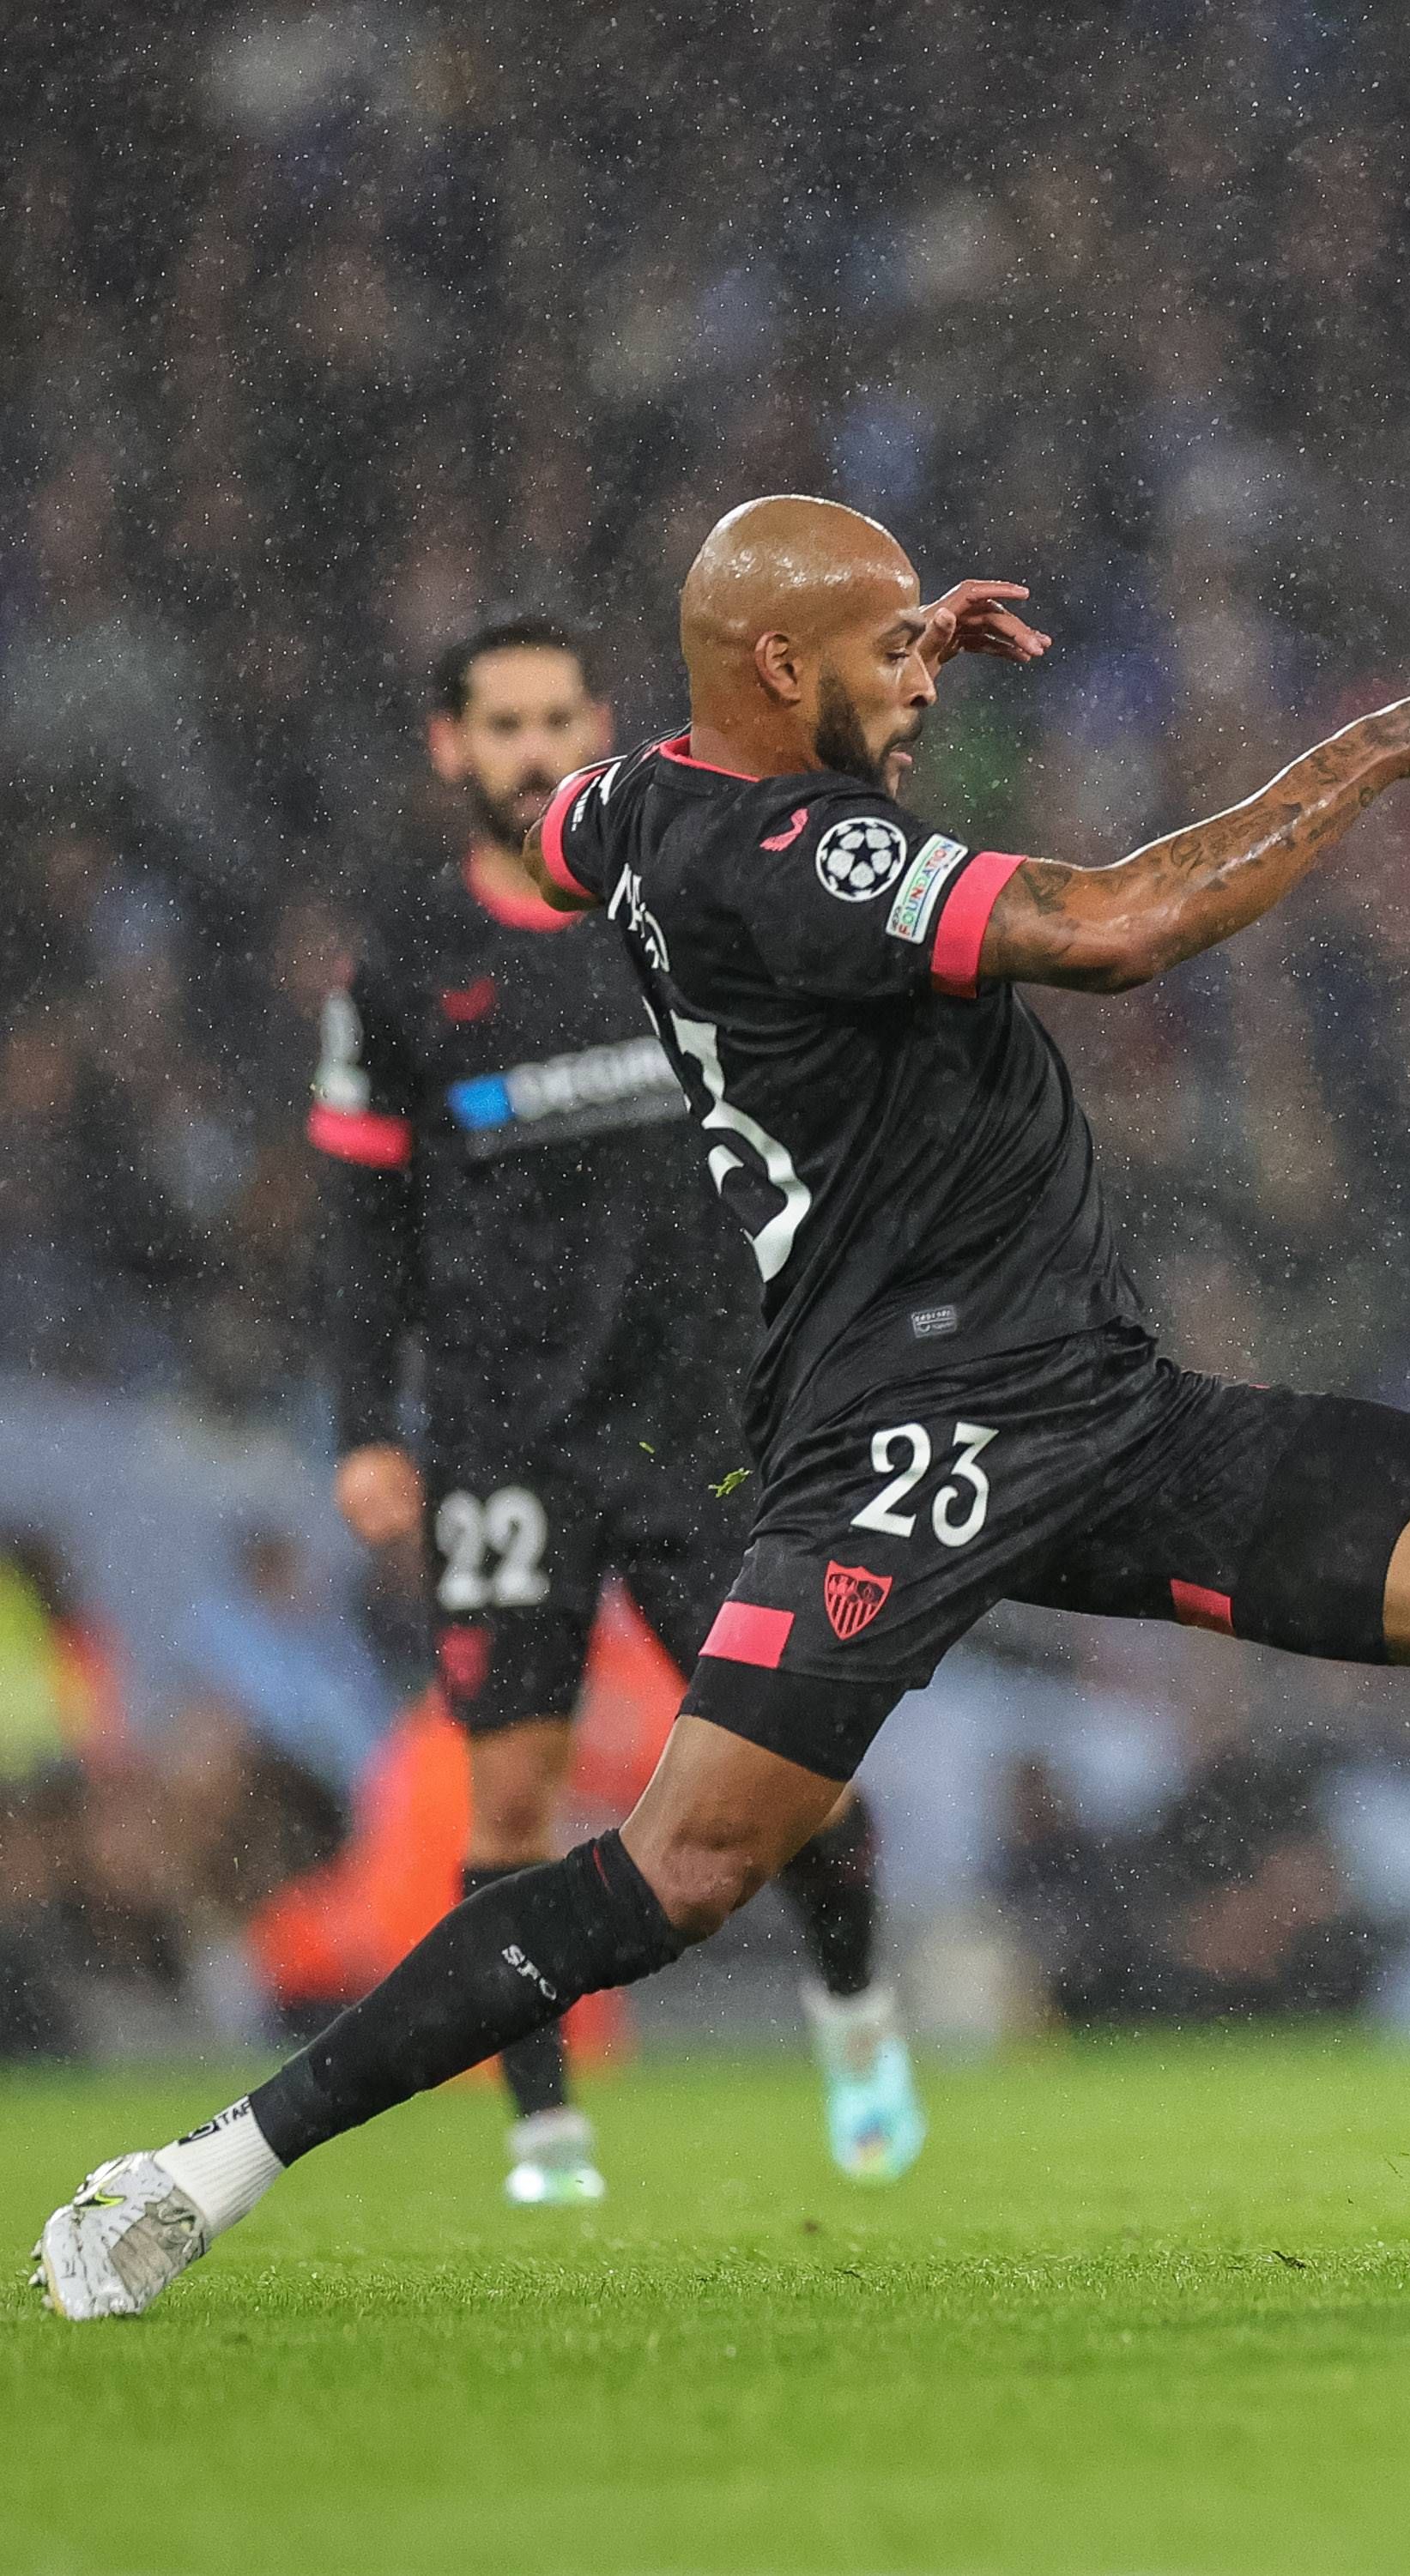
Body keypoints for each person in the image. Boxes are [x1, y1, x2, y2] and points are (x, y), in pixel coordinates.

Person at [35, 497, 1410, 2321]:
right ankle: (207, 2167)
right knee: (683, 1863)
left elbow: (640, 790)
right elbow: (1116, 921)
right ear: (787, 681)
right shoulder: (783, 864)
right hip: (910, 1431)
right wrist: (1373, 750)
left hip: (1093, 1399)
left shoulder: (634, 807)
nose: (927, 676)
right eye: (891, 652)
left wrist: (877, 673)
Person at [312, 618, 905, 2207]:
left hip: (710, 1424)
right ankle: (546, 2127)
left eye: (554, 715)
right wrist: (366, 1428)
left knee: (801, 1777)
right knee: (509, 1791)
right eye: (496, 721)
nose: (525, 745)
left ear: (599, 725)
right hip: (504, 1440)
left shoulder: (680, 908)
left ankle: (851, 2006)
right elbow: (358, 1226)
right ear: (450, 747)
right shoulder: (401, 968)